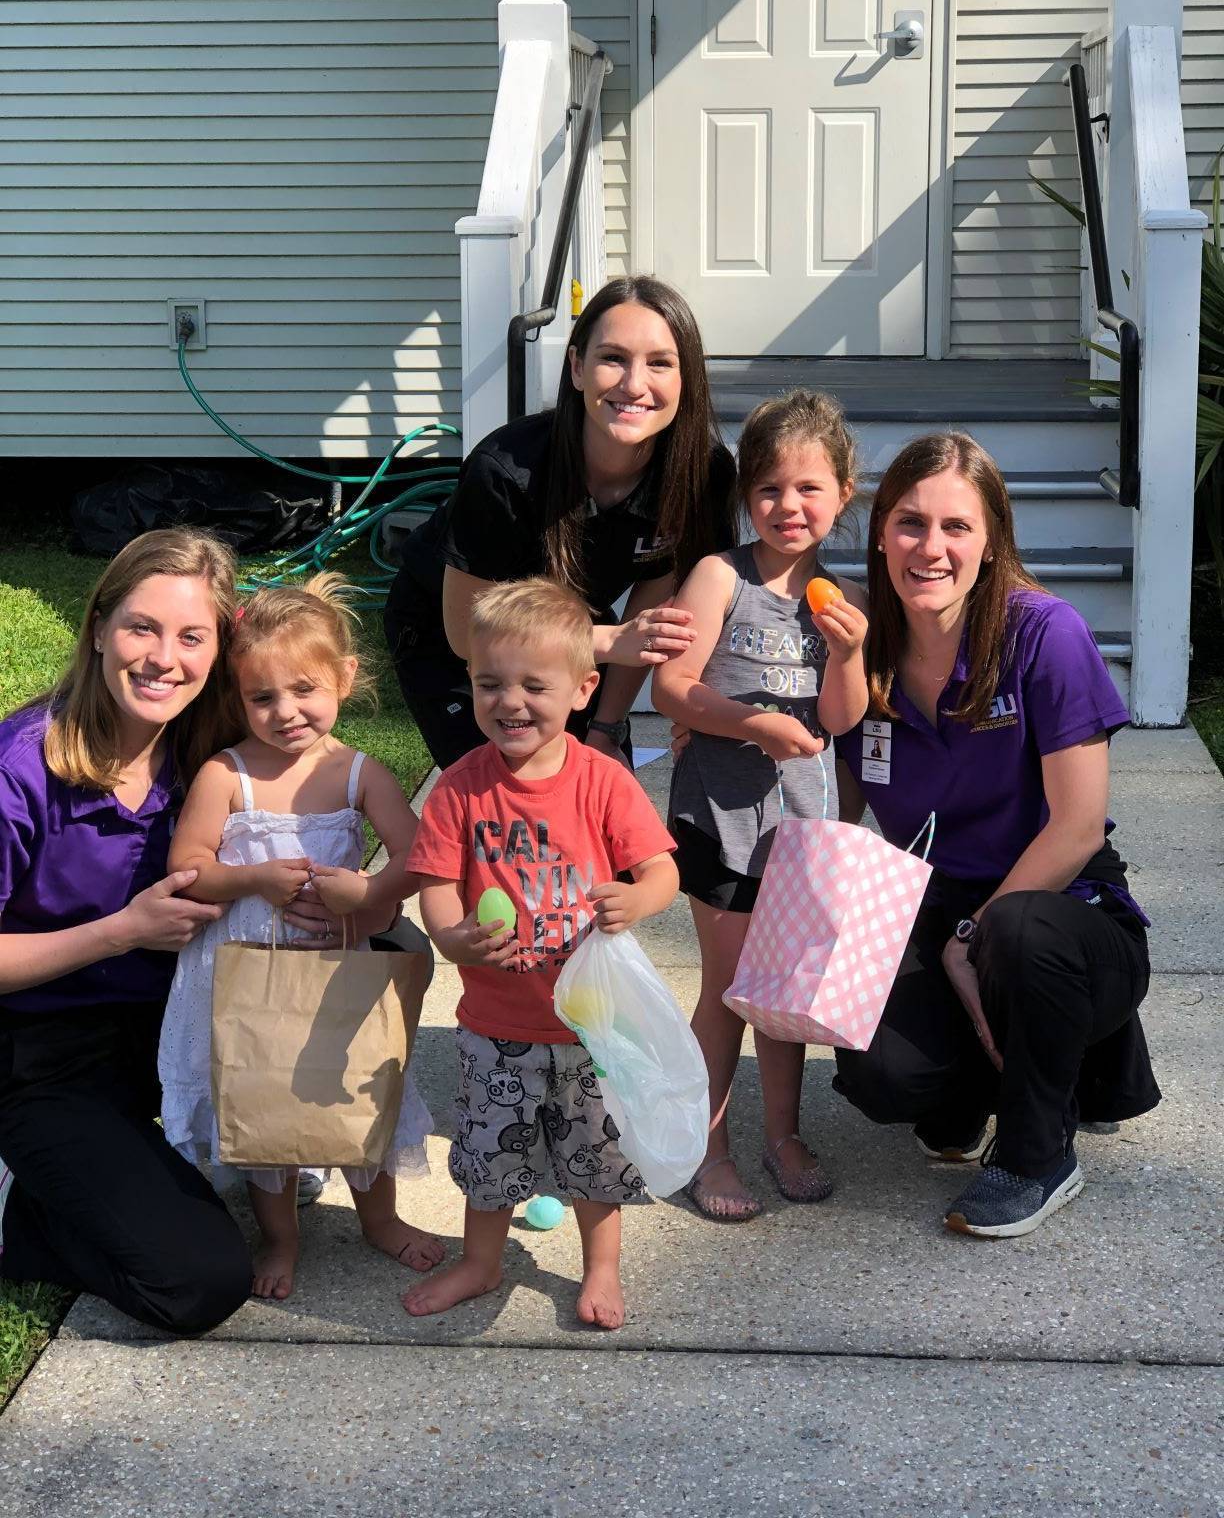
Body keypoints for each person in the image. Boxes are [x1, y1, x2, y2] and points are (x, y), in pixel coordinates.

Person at [832, 432, 1158, 1239]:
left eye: (956, 527)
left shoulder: (1045, 634)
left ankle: (1037, 1155)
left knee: (1014, 932)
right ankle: (1019, 1072)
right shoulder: (857, 647)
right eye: (909, 522)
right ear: (880, 532)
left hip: (1059, 908)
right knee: (883, 1080)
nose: (930, 547)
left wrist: (970, 936)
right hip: (933, 898)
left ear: (991, 541)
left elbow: (1078, 827)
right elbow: (831, 810)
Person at [403, 578, 679, 1329]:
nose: (510, 701)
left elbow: (661, 869)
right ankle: (482, 1263)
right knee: (491, 1161)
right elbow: (434, 885)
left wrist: (639, 898)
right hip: (497, 1024)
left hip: (591, 1025)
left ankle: (602, 1270)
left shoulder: (601, 782)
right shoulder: (462, 790)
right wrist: (453, 934)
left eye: (534, 684)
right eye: (490, 684)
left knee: (597, 1161)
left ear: (585, 689)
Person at [158, 573, 440, 1301]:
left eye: (305, 690)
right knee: (265, 1103)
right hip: (246, 972)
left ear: (345, 678)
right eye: (262, 697)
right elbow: (187, 867)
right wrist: (250, 880)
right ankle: (281, 1237)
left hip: (334, 969)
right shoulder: (229, 775)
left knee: (352, 1096)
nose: (286, 713)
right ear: (237, 697)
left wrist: (370, 899)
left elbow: (421, 856)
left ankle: (380, 1220)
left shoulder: (358, 775)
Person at [0, 529, 252, 1333]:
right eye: (142, 627)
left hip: (163, 1032)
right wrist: (123, 930)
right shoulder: (23, 763)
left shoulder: (209, 754)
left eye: (191, 636)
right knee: (200, 1280)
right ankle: (14, 1208)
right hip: (36, 1058)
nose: (162, 658)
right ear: (99, 627)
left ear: (219, 649)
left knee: (390, 950)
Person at [653, 390, 869, 1222]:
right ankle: (710, 1148)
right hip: (720, 817)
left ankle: (783, 1132)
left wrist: (847, 655)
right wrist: (752, 724)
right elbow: (674, 689)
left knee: (783, 990)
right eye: (771, 488)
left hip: (801, 830)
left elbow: (842, 720)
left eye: (810, 489)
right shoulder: (722, 576)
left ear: (843, 494)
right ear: (747, 494)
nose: (790, 506)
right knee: (730, 986)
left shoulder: (837, 597)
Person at [384, 274, 736, 771]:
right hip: (456, 645)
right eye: (612, 358)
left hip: (574, 624)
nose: (634, 384)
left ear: (688, 380)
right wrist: (611, 641)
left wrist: (606, 727)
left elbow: (654, 608)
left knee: (598, 787)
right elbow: (469, 633)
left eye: (660, 363)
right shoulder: (506, 471)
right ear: (576, 367)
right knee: (510, 796)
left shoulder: (704, 476)